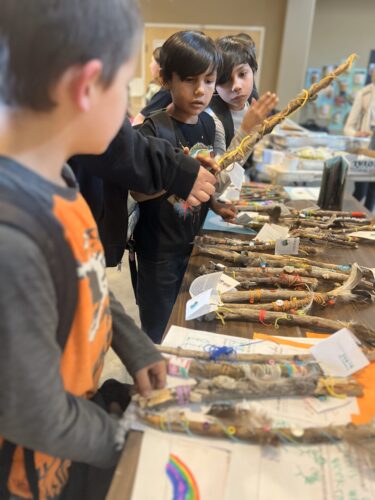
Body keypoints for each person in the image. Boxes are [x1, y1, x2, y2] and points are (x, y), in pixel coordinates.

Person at [0, 1, 168, 499]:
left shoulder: (59, 177)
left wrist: (133, 344)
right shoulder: (13, 240)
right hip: (31, 471)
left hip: (74, 430)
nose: (129, 102)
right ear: (87, 87)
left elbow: (87, 274)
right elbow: (34, 415)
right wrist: (128, 442)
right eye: (126, 86)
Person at [132, 31, 233, 343]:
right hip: (159, 253)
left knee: (192, 323)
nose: (200, 90)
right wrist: (180, 177)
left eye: (209, 80)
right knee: (159, 329)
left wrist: (215, 203)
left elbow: (207, 178)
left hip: (195, 246)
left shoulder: (207, 123)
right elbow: (139, 192)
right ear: (166, 79)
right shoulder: (153, 129)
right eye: (190, 80)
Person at [209, 35, 278, 176]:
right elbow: (217, 175)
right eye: (225, 80)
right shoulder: (210, 119)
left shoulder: (255, 105)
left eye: (242, 74)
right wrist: (246, 129)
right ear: (214, 84)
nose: (236, 86)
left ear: (253, 71)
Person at [344, 69, 375, 211]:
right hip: (365, 149)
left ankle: (367, 229)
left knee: (372, 196)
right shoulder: (364, 94)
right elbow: (348, 128)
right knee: (360, 191)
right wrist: (357, 134)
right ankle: (348, 220)